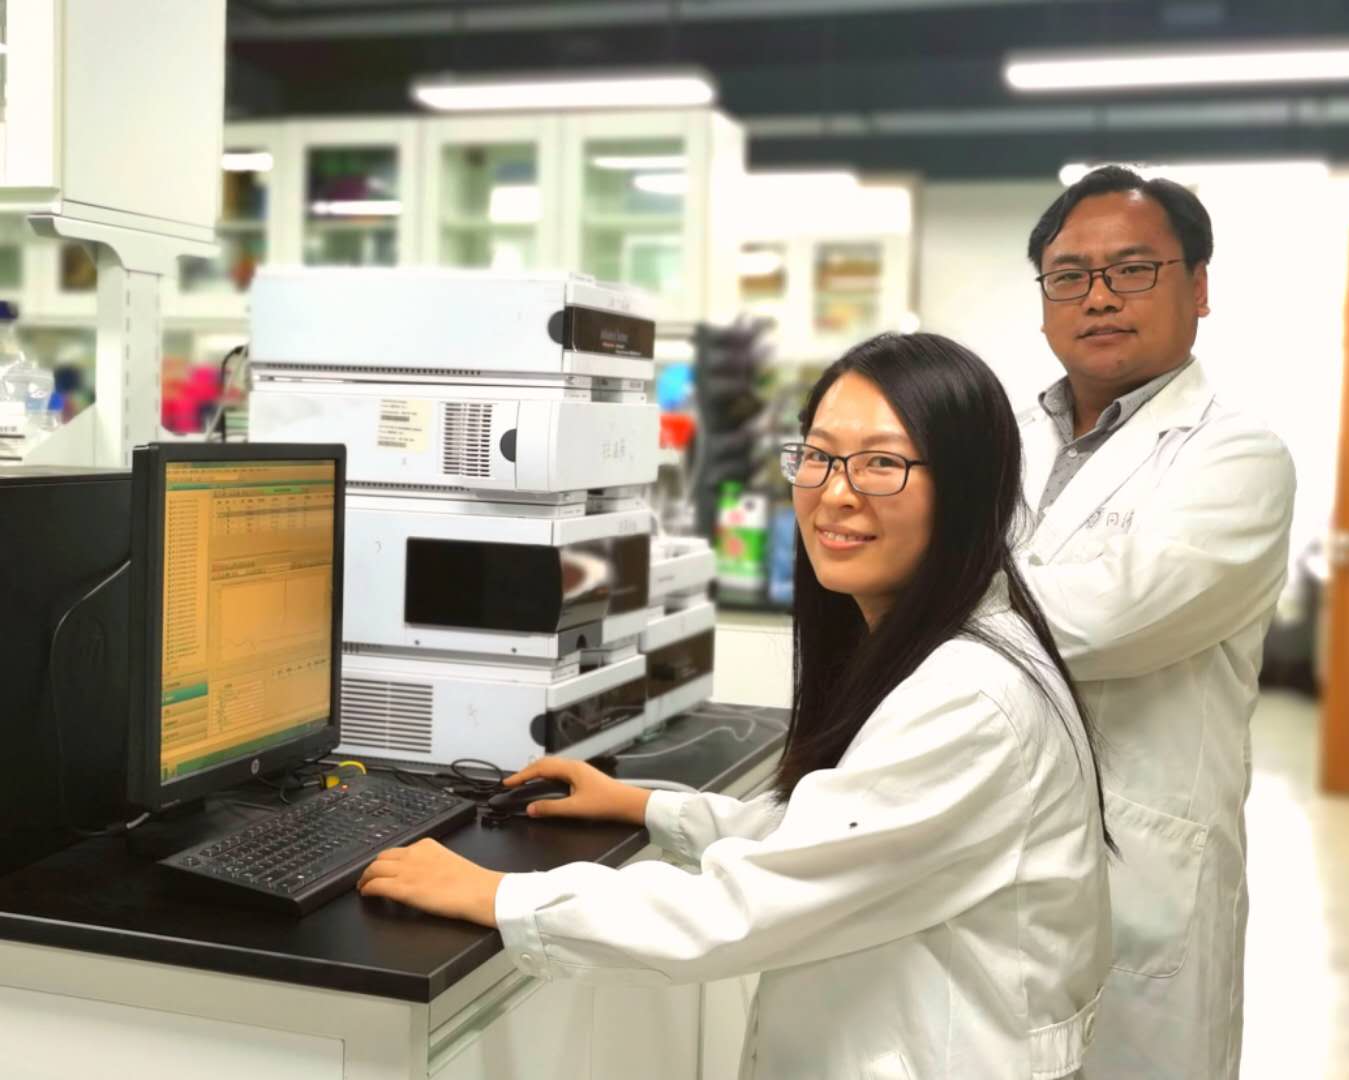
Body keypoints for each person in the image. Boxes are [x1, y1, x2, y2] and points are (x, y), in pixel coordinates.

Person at [359, 332, 1112, 1079]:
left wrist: (502, 895)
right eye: (818, 456)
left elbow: (745, 906)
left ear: (967, 487)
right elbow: (837, 832)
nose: (836, 491)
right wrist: (648, 808)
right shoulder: (943, 646)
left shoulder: (969, 699)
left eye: (882, 463)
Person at [1017, 165, 1297, 1080]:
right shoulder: (997, 438)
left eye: (1133, 270)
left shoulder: (1238, 456)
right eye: (1070, 275)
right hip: (987, 846)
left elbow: (1104, 622)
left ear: (1199, 287)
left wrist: (924, 597)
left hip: (1143, 866)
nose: (1098, 297)